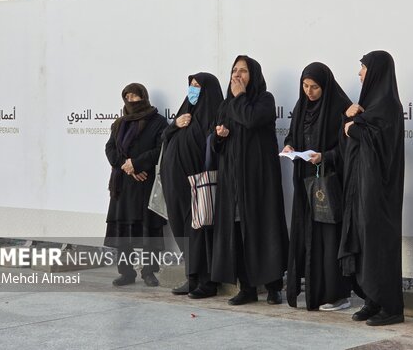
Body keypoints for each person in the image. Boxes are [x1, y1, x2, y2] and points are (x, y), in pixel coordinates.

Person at [211, 55, 289, 305]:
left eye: (243, 71)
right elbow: (214, 144)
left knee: (265, 229)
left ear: (253, 74)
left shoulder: (264, 100)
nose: (237, 75)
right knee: (238, 231)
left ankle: (274, 286)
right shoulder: (225, 105)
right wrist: (219, 137)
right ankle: (247, 288)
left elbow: (251, 119)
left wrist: (240, 96)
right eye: (234, 70)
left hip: (259, 179)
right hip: (232, 181)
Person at [339, 51, 405, 326]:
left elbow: (376, 140)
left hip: (380, 192)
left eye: (363, 68)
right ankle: (371, 300)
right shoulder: (368, 105)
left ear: (376, 72)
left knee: (379, 244)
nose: (360, 73)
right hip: (361, 187)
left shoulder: (388, 105)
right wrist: (349, 119)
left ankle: (391, 307)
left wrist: (353, 128)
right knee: (365, 241)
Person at [282, 62, 352, 311]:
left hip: (328, 183)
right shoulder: (301, 107)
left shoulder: (338, 108)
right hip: (305, 182)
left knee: (328, 238)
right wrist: (290, 146)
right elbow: (292, 135)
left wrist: (325, 156)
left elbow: (347, 148)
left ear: (325, 87)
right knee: (307, 237)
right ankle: (313, 291)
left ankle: (337, 295)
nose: (309, 92)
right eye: (305, 86)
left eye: (314, 87)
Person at [160, 73, 224, 298]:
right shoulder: (184, 110)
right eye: (191, 85)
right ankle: (191, 277)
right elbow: (164, 137)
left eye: (198, 86)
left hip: (198, 184)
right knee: (181, 229)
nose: (193, 89)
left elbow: (215, 147)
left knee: (200, 231)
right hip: (174, 184)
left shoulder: (216, 113)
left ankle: (207, 282)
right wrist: (175, 125)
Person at [104, 83, 168, 287]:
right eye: (127, 97)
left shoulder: (158, 122)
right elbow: (110, 148)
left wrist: (138, 164)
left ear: (144, 97)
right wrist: (127, 166)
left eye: (135, 96)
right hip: (123, 185)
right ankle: (126, 272)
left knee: (149, 230)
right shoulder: (119, 123)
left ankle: (149, 272)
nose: (131, 100)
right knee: (123, 232)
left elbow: (161, 149)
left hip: (145, 184)